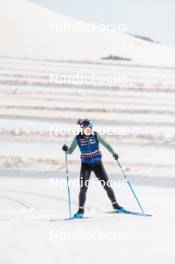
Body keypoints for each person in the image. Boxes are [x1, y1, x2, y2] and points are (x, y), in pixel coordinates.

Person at [62, 118, 125, 218]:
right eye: (87, 128)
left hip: (97, 164)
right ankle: (80, 210)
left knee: (106, 185)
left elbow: (106, 144)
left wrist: (113, 153)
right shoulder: (78, 138)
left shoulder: (96, 135)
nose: (90, 129)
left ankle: (115, 205)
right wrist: (66, 150)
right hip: (85, 165)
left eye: (91, 127)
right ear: (83, 129)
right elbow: (70, 152)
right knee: (83, 187)